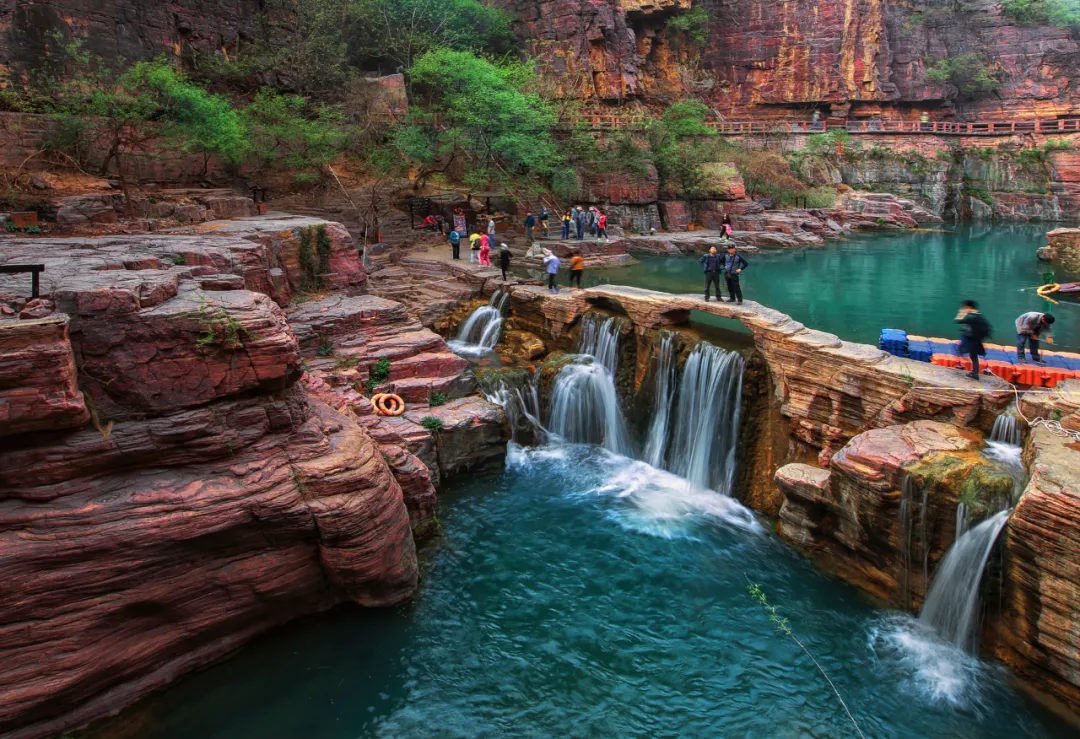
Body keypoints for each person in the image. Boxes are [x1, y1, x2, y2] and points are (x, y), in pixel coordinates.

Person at [956, 300, 992, 380]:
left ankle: (974, 372)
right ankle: (975, 373)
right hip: (976, 339)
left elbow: (958, 321)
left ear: (969, 307)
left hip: (972, 339)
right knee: (973, 356)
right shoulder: (978, 316)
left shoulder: (973, 317)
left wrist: (961, 313)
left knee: (963, 351)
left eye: (965, 307)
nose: (964, 308)